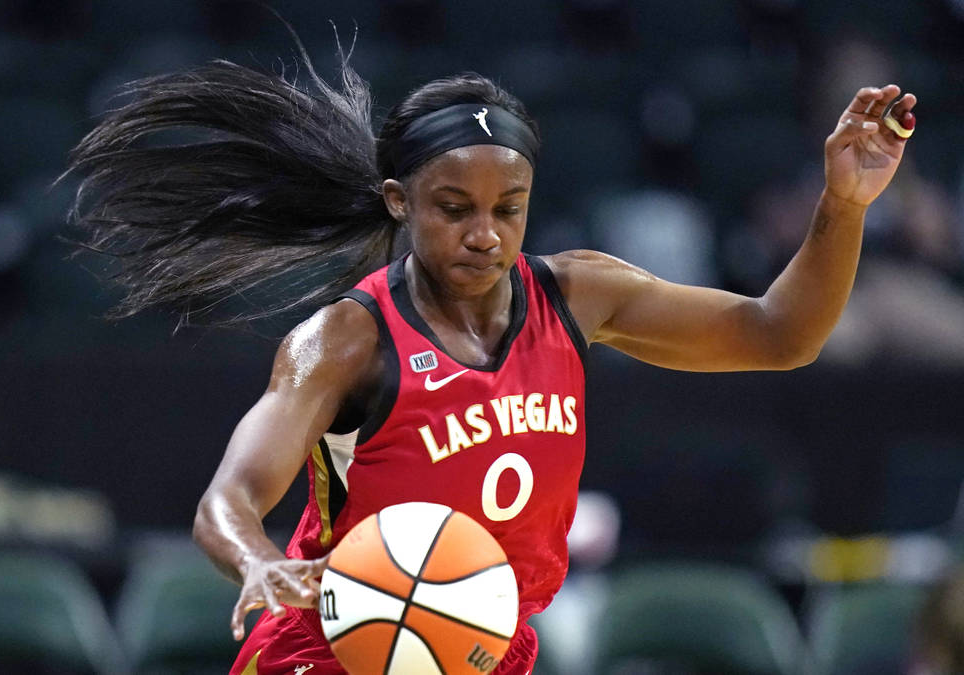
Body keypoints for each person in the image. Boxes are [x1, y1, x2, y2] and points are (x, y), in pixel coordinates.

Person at [66, 37, 916, 675]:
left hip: (484, 647)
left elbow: (782, 334)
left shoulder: (579, 293)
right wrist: (255, 560)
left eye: (508, 208)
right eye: (453, 208)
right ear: (401, 202)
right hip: (333, 651)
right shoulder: (348, 339)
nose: (485, 233)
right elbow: (231, 497)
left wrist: (843, 202)